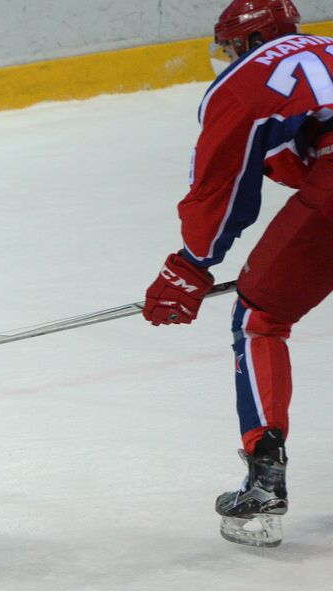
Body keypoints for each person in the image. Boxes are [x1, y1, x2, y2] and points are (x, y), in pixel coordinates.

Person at [141, 0, 333, 547]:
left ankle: (265, 480)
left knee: (258, 318)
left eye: (229, 48)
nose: (228, 57)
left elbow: (222, 189)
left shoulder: (245, 80)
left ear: (248, 41)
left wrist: (191, 265)